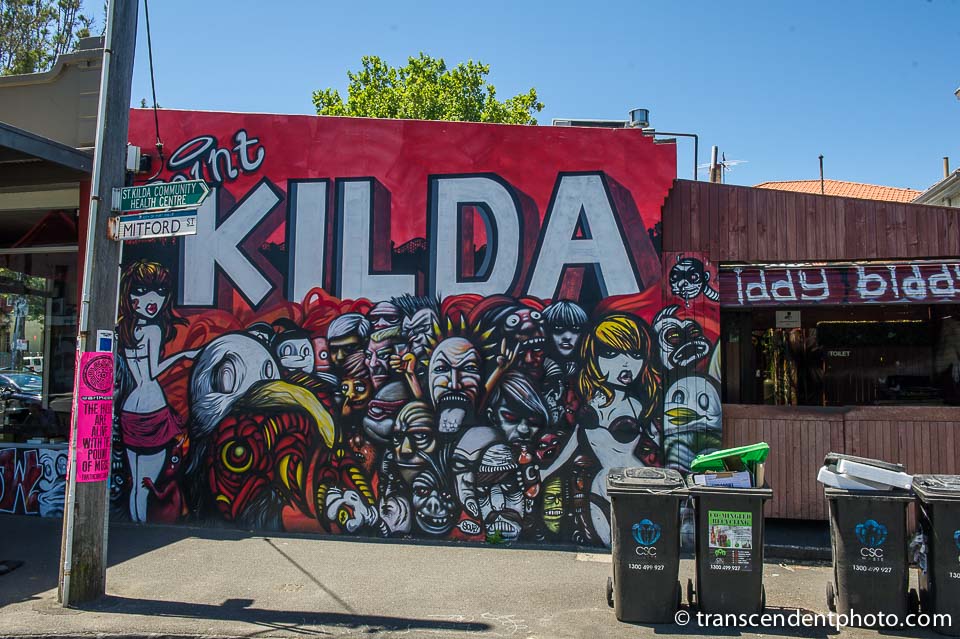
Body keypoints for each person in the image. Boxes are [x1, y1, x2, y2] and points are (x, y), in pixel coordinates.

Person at [542, 313, 662, 545]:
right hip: (599, 485)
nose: (626, 363)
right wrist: (547, 472)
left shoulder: (636, 406)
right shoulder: (593, 401)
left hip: (630, 481)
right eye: (612, 353)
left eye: (635, 355)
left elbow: (657, 439)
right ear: (593, 356)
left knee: (633, 544)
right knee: (609, 542)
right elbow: (573, 443)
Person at [116, 260, 196, 523]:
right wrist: (184, 355)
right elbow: (153, 371)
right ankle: (142, 529)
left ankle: (136, 524)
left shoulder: (125, 329)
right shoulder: (153, 329)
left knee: (136, 481)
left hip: (130, 409)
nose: (153, 299)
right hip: (152, 407)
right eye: (141, 291)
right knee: (146, 483)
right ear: (128, 294)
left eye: (160, 292)